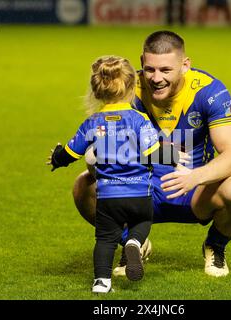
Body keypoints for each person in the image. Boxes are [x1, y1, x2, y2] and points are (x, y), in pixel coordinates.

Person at [73, 31, 231, 278]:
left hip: (195, 191)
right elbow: (103, 141)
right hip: (139, 188)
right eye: (150, 69)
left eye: (165, 70)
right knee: (84, 187)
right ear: (141, 62)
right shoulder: (128, 90)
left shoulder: (209, 91)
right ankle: (132, 243)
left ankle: (215, 245)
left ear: (185, 65)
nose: (156, 78)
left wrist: (195, 177)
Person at [47, 56, 179, 293]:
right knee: (144, 222)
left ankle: (101, 282)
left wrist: (57, 158)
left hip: (108, 197)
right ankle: (134, 242)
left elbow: (70, 152)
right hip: (139, 194)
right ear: (131, 88)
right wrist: (175, 155)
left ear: (97, 91)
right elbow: (155, 154)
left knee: (105, 239)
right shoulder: (140, 120)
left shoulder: (92, 122)